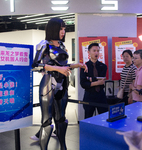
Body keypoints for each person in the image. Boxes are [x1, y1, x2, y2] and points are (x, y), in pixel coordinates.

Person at [31, 17, 87, 150]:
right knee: (47, 121)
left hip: (62, 84)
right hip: (48, 83)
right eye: (60, 29)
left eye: (64, 29)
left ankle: (63, 146)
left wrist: (76, 65)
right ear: (53, 29)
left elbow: (63, 65)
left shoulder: (61, 46)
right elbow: (35, 66)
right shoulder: (44, 44)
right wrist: (57, 69)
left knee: (61, 118)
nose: (63, 32)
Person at [80, 43, 108, 119]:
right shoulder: (84, 67)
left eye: (98, 51)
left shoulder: (103, 66)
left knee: (104, 118)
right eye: (94, 50)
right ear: (89, 52)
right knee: (88, 118)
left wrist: (89, 79)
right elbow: (83, 84)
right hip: (89, 95)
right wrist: (97, 82)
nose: (96, 53)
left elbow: (102, 80)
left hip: (101, 96)